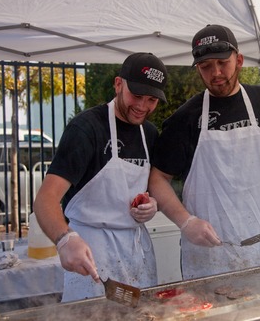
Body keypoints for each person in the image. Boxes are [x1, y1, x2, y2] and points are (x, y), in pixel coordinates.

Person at [149, 24, 260, 280]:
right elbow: (157, 179)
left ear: (239, 60)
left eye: (223, 63)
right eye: (206, 67)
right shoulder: (185, 119)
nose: (216, 73)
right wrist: (186, 222)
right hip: (211, 253)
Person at [33, 53, 168, 302]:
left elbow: (153, 187)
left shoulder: (149, 133)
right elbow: (45, 199)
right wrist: (64, 240)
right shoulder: (86, 129)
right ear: (118, 84)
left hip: (137, 253)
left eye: (151, 100)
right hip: (92, 255)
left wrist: (151, 206)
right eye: (136, 96)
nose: (142, 106)